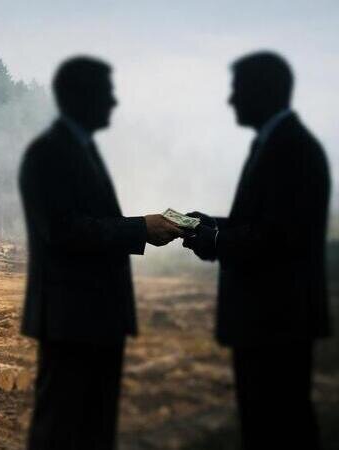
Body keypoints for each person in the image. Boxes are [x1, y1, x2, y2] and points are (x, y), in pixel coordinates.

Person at [19, 56, 183, 449]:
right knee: (62, 431)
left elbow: (87, 223)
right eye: (107, 93)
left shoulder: (78, 149)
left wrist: (141, 230)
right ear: (81, 97)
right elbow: (64, 230)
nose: (113, 102)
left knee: (93, 430)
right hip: (71, 323)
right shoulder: (49, 153)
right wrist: (141, 228)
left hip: (93, 320)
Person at [182, 51, 331, 450]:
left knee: (278, 428)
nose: (231, 100)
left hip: (275, 322)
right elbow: (263, 223)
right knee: (273, 425)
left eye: (238, 90)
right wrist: (211, 225)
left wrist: (215, 239)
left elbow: (278, 238)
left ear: (262, 92)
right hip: (272, 320)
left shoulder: (291, 148)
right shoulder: (280, 143)